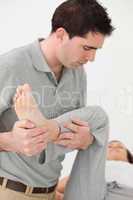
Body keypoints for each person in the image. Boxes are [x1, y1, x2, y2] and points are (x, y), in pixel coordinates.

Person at [0, 0, 114, 200]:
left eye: (96, 50)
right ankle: (46, 128)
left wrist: (84, 139)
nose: (92, 58)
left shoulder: (78, 74)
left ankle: (45, 127)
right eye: (87, 47)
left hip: (52, 191)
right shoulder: (10, 66)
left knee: (96, 118)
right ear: (61, 34)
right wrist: (11, 141)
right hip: (11, 192)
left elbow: (73, 130)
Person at [56, 140, 133, 200]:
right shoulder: (90, 168)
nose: (114, 148)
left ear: (128, 155)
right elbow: (57, 188)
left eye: (120, 147)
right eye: (109, 146)